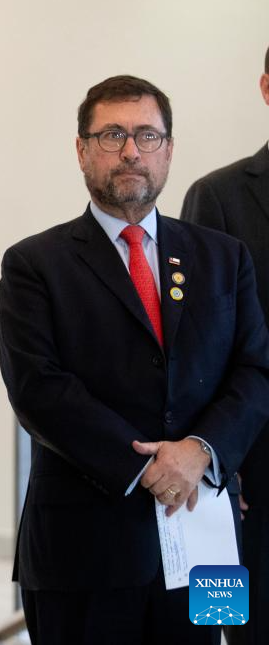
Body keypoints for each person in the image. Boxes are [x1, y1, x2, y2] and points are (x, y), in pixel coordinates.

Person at [0, 74, 269, 644]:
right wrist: (148, 467)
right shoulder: (34, 263)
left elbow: (254, 371)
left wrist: (201, 451)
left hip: (203, 536)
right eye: (112, 135)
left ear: (168, 149)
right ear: (81, 150)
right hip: (83, 549)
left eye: (147, 135)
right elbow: (38, 389)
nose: (130, 151)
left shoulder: (224, 257)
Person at [180, 45, 269, 645]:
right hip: (248, 472)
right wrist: (218, 460)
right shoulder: (219, 196)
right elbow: (195, 348)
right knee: (235, 626)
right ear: (266, 88)